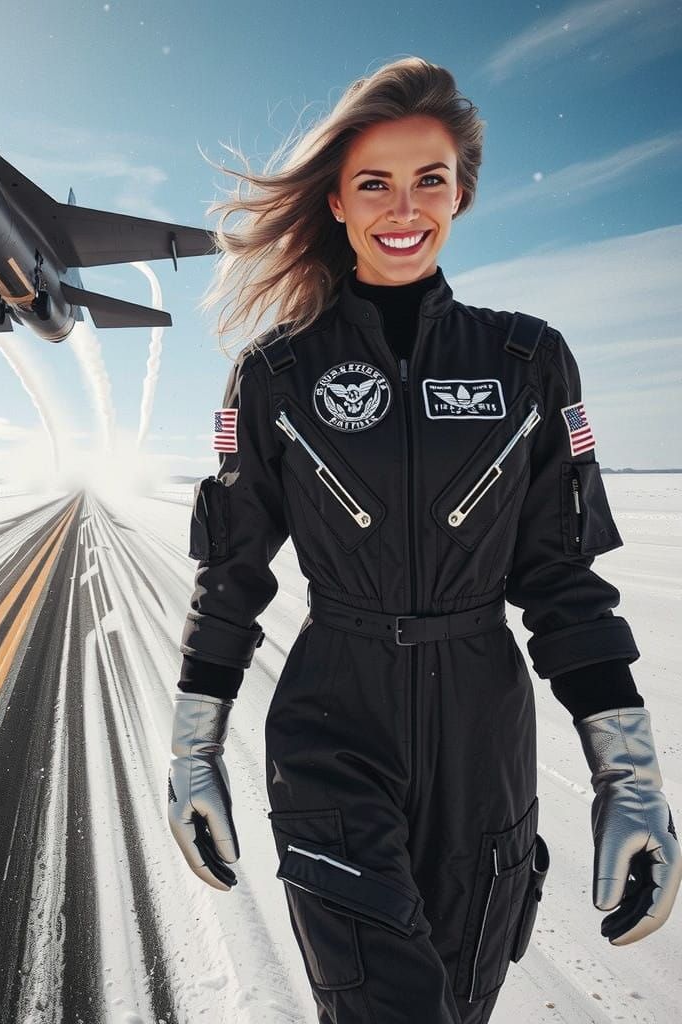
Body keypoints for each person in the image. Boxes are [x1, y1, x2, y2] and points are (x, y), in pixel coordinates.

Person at [165, 58, 681, 1024]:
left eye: (430, 179)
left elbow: (560, 581)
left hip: (486, 735)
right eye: (374, 182)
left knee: (459, 1003)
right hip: (332, 727)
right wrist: (196, 749)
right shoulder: (274, 373)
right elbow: (231, 574)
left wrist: (630, 776)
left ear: (463, 192)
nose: (405, 206)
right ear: (336, 200)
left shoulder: (526, 358)